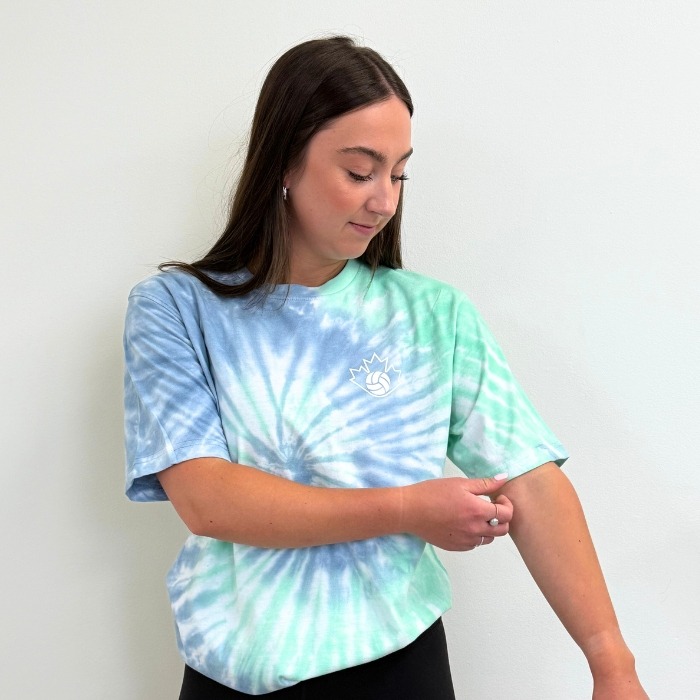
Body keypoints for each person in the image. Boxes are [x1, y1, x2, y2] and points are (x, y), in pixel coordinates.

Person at [123, 36, 648, 699]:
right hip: (231, 674)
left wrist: (611, 663)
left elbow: (531, 478)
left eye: (398, 174)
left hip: (398, 669)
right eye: (359, 171)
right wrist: (406, 507)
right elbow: (207, 500)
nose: (384, 201)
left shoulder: (433, 315)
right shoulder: (176, 309)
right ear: (283, 161)